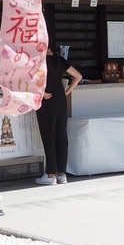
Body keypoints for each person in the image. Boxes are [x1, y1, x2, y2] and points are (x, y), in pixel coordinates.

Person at [35, 45, 82, 185]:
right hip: (61, 101)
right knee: (61, 135)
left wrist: (41, 93)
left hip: (46, 101)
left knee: (49, 136)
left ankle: (50, 175)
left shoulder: (38, 61)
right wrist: (66, 92)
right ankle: (62, 174)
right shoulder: (60, 60)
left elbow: (30, 81)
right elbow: (78, 76)